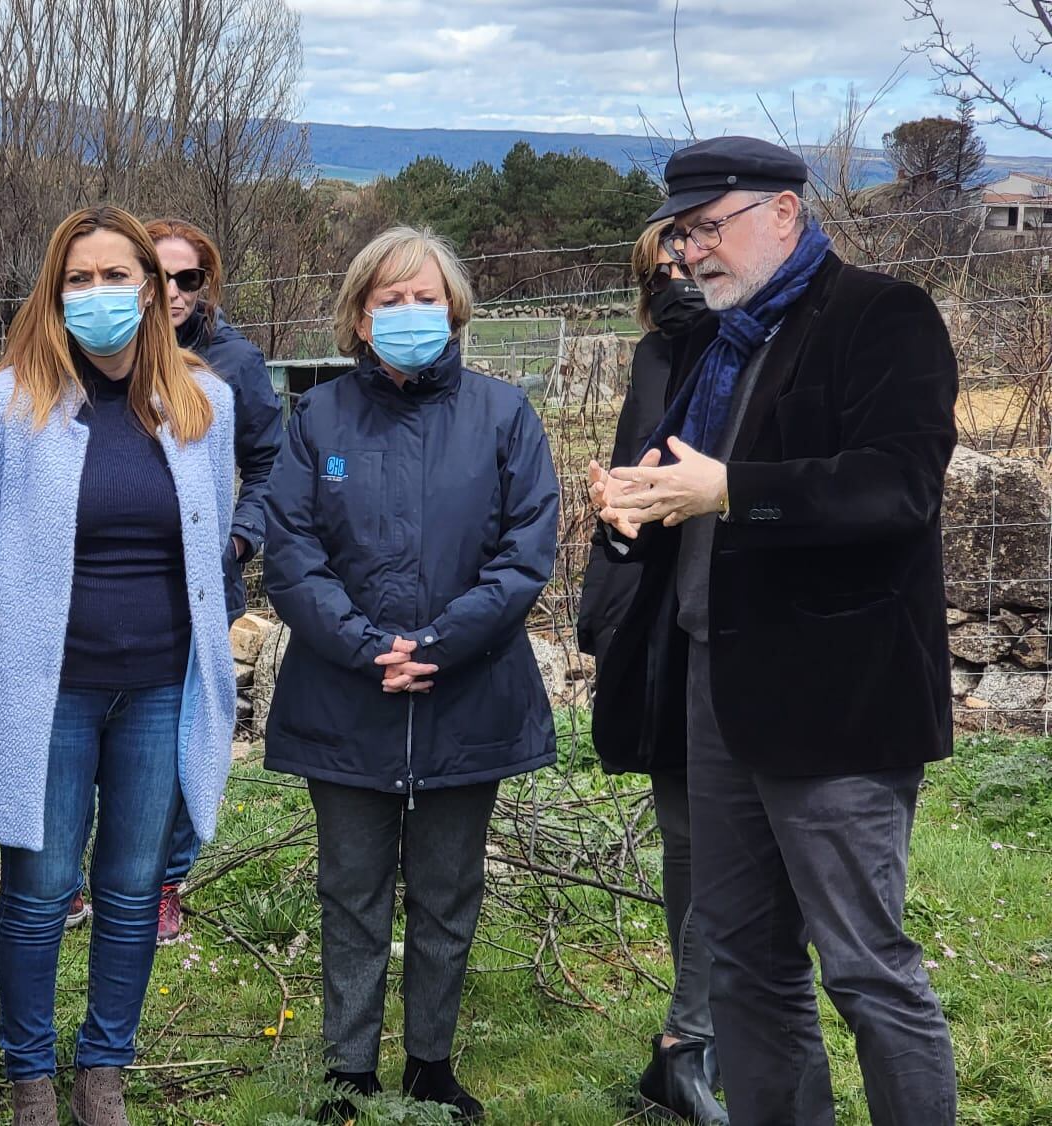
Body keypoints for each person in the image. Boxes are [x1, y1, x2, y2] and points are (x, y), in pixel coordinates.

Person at [590, 136, 959, 1126]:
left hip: (837, 702)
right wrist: (632, 516)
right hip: (717, 696)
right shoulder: (718, 342)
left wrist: (729, 489)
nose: (690, 253)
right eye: (680, 234)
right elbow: (690, 510)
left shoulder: (881, 316)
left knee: (863, 968)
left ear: (782, 213)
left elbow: (896, 487)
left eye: (707, 228)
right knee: (746, 967)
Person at [0, 204, 237, 1126]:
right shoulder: (8, 402)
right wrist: (30, 634)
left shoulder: (202, 403)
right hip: (51, 692)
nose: (99, 294)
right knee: (37, 887)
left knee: (133, 884)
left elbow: (211, 535)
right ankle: (30, 1071)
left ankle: (102, 1068)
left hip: (160, 687)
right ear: (54, 291)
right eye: (80, 279)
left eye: (117, 276)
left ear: (152, 287)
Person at [261, 226, 559, 1124]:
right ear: (358, 315)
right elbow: (292, 552)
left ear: (455, 309)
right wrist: (364, 648)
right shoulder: (315, 419)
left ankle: (431, 1062)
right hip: (344, 696)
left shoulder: (504, 415)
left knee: (447, 889)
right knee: (350, 888)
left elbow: (525, 553)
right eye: (390, 299)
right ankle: (347, 1070)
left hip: (467, 693)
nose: (410, 313)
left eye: (425, 297)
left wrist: (436, 645)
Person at [575, 221, 726, 1124]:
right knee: (688, 839)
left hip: (754, 632)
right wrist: (614, 522)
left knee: (740, 843)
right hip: (667, 628)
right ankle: (688, 1040)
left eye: (690, 250)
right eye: (657, 266)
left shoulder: (762, 350)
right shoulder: (655, 358)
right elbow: (638, 487)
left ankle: (708, 1035)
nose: (677, 272)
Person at [143, 216, 283, 944]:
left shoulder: (234, 362)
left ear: (207, 284)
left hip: (199, 585)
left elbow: (270, 463)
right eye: (156, 273)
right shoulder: (88, 353)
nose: (171, 291)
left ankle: (166, 881)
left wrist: (237, 536)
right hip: (106, 583)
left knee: (186, 734)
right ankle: (73, 878)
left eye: (187, 277)